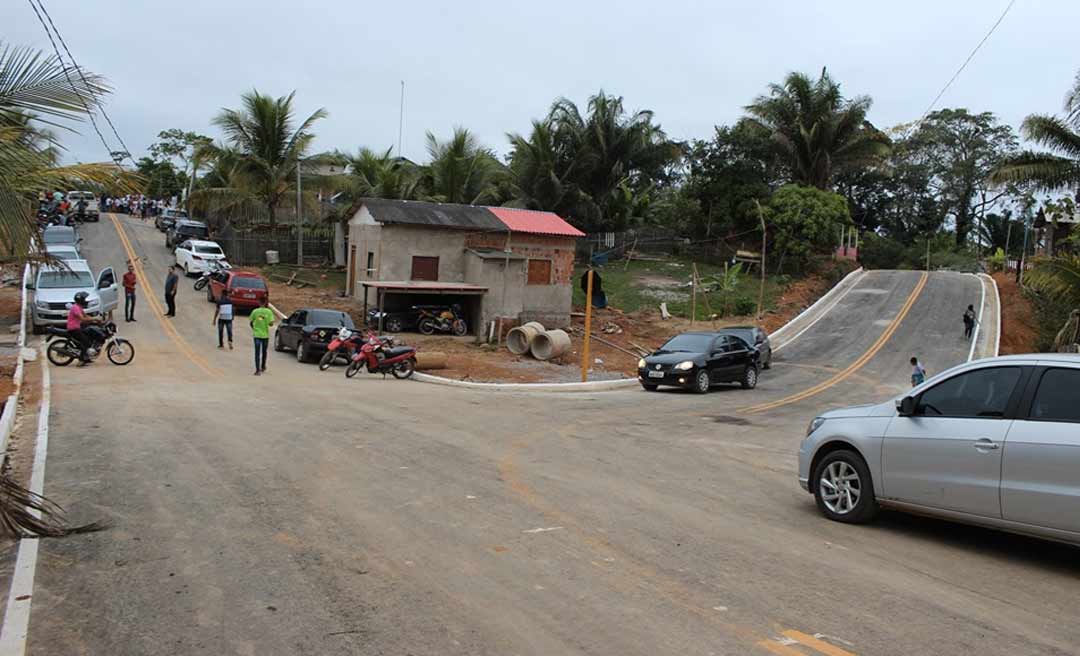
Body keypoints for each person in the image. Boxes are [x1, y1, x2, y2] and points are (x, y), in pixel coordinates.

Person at [67, 292, 100, 366]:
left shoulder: (79, 307)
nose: (85, 300)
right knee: (85, 341)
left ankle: (86, 357)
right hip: (73, 329)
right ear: (80, 300)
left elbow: (86, 315)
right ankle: (81, 360)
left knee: (89, 337)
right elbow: (82, 318)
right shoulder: (75, 308)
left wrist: (96, 320)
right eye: (84, 299)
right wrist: (93, 319)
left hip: (78, 327)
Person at [249, 297, 275, 375]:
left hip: (257, 335)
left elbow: (250, 322)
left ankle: (257, 370)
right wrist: (266, 321)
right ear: (265, 302)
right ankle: (263, 366)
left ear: (259, 302)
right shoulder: (269, 312)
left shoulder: (255, 311)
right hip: (265, 335)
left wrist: (254, 328)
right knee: (264, 351)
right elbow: (271, 324)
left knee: (257, 352)